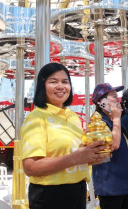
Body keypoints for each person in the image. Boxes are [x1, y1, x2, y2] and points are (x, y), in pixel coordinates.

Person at [21, 63, 107, 209]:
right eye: (53, 81)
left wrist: (91, 156)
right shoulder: (36, 117)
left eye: (65, 82)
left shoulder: (72, 117)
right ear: (42, 86)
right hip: (49, 196)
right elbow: (30, 167)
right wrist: (75, 158)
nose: (60, 86)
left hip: (77, 191)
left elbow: (74, 158)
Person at [91, 83, 128, 209]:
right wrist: (116, 119)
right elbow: (114, 144)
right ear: (102, 102)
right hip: (110, 187)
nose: (118, 100)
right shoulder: (99, 123)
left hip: (124, 184)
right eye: (114, 96)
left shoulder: (115, 122)